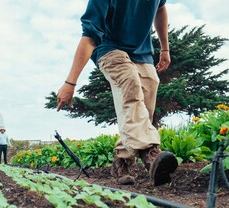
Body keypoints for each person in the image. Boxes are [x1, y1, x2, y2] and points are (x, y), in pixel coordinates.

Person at [56, 0, 178, 186]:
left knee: (147, 94)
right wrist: (70, 82)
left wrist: (165, 48)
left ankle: (121, 162)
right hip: (108, 47)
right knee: (129, 81)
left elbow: (160, 8)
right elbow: (89, 36)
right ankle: (150, 154)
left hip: (142, 51)